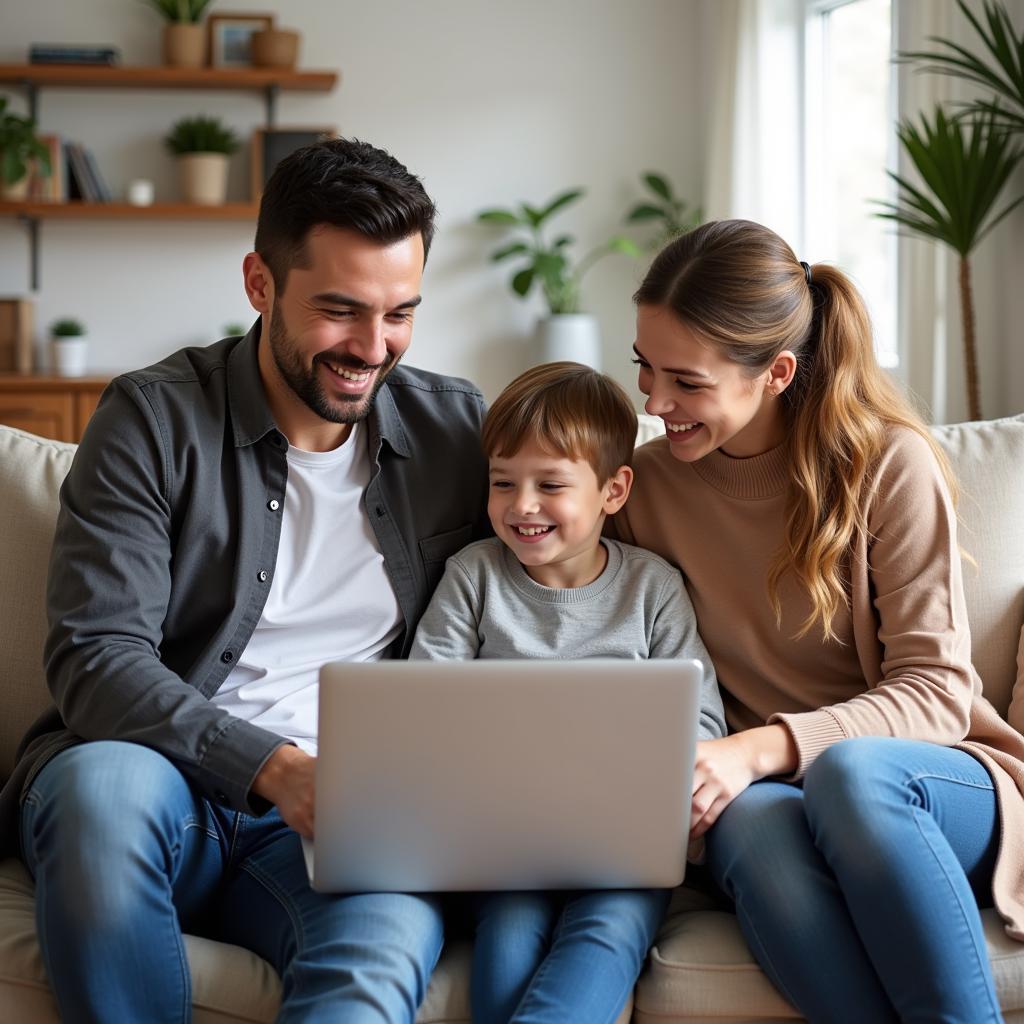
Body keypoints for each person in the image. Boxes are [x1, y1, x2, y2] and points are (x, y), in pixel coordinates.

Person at [2, 138, 491, 1023]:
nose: (372, 349)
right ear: (260, 283)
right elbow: (95, 657)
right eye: (340, 311)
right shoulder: (152, 419)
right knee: (99, 797)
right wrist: (274, 768)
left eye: (400, 314)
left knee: (384, 939)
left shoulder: (459, 432)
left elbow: (568, 575)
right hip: (158, 781)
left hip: (347, 812)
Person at [613, 218, 1024, 1022]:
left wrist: (760, 748)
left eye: (686, 382)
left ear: (776, 373)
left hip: (925, 786)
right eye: (644, 369)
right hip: (760, 804)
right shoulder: (646, 486)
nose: (656, 404)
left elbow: (938, 691)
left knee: (850, 772)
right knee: (753, 829)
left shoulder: (884, 464)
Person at [410, 360, 726, 1024]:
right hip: (503, 845)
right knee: (506, 942)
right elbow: (422, 707)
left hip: (623, 846)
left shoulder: (652, 588)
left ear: (614, 491)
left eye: (550, 485)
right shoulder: (473, 577)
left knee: (608, 931)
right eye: (503, 483)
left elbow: (702, 723)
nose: (521, 506)